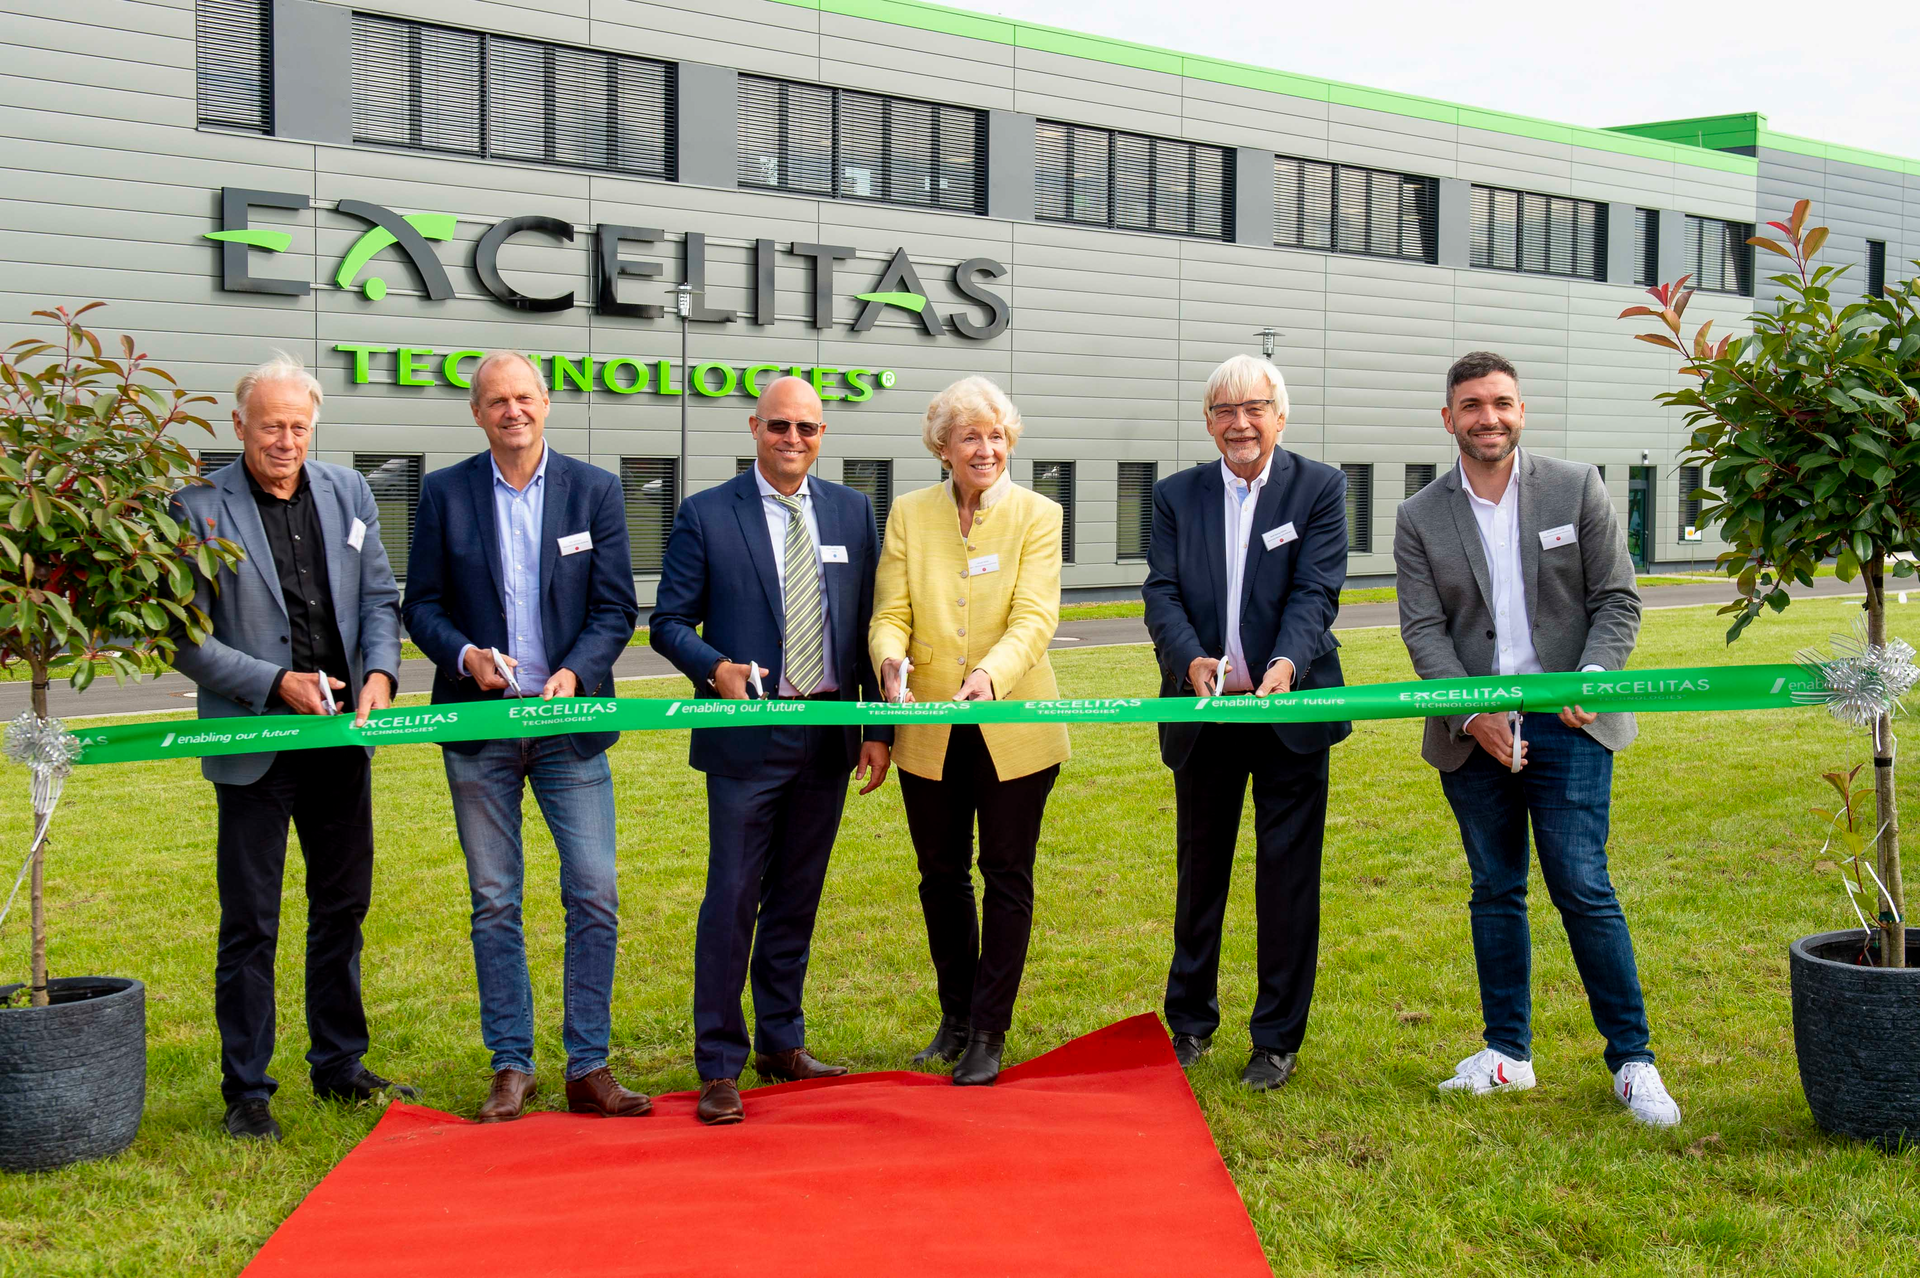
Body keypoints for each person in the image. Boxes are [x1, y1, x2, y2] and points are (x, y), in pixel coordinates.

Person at [1394, 349, 1680, 1127]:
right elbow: (1423, 630)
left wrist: (1591, 678)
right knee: (1494, 890)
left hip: (1570, 723)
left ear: (1521, 411)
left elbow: (1617, 600)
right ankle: (1507, 1055)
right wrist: (1469, 714)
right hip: (1473, 732)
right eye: (1472, 405)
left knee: (1582, 886)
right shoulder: (1419, 516)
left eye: (1501, 403)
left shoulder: (1575, 486)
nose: (1488, 417)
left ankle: (1633, 1061)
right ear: (1448, 418)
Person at [170, 354, 412, 1141]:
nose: (285, 440)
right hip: (257, 741)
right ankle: (247, 1090)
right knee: (251, 920)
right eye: (271, 425)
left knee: (342, 906)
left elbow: (378, 598)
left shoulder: (350, 492)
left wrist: (381, 674)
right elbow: (184, 636)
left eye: (298, 426)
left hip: (342, 741)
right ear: (239, 425)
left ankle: (339, 1065)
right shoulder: (196, 508)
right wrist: (275, 683)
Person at [401, 351, 643, 1123]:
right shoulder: (444, 492)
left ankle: (588, 1065)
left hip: (569, 725)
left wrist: (576, 670)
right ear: (477, 413)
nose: (513, 411)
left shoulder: (595, 490)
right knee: (494, 899)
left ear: (546, 403)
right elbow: (422, 604)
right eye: (497, 400)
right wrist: (464, 655)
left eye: (524, 397)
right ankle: (512, 1064)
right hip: (482, 726)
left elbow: (615, 608)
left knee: (594, 891)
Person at [650, 376, 893, 1126]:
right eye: (780, 426)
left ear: (822, 436)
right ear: (754, 428)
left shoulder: (852, 511)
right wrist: (714, 668)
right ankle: (720, 1063)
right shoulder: (706, 513)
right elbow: (668, 622)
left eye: (807, 428)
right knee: (732, 897)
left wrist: (877, 728)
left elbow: (867, 623)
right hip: (747, 735)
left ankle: (781, 1041)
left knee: (797, 893)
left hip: (828, 730)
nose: (793, 440)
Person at [1141, 353, 1351, 1092]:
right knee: (1200, 873)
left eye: (1254, 407)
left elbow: (1316, 591)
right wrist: (1188, 659)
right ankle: (1190, 1023)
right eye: (1225, 411)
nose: (1240, 423)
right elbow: (1162, 591)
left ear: (1279, 415)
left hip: (1289, 711)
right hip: (1205, 713)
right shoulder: (1177, 495)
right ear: (1208, 422)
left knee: (1288, 878)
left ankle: (1276, 1039)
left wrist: (1286, 664)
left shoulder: (1319, 487)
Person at [869, 376, 1068, 1088]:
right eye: (970, 437)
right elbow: (890, 612)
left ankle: (989, 1030)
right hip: (927, 725)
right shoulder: (909, 513)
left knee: (1006, 876)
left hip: (1013, 724)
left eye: (996, 436)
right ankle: (955, 1016)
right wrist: (888, 661)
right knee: (940, 876)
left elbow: (1035, 617)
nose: (986, 449)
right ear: (943, 447)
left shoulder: (1039, 514)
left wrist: (989, 675)